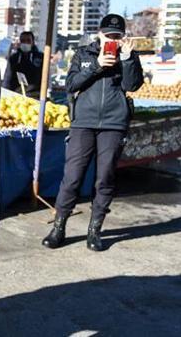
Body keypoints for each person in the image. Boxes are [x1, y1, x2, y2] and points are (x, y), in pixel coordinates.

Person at [42, 14, 143, 252]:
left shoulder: (128, 55)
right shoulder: (84, 54)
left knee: (105, 177)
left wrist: (127, 59)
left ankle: (94, 230)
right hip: (83, 122)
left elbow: (132, 86)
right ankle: (59, 227)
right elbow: (71, 84)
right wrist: (97, 65)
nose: (113, 40)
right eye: (109, 35)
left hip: (114, 124)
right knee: (72, 177)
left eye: (117, 37)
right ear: (99, 33)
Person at [2, 31, 44, 98]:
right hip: (16, 95)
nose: (25, 43)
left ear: (33, 42)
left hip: (35, 95)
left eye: (28, 40)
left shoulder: (41, 58)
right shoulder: (14, 58)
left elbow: (44, 78)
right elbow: (8, 77)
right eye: (23, 41)